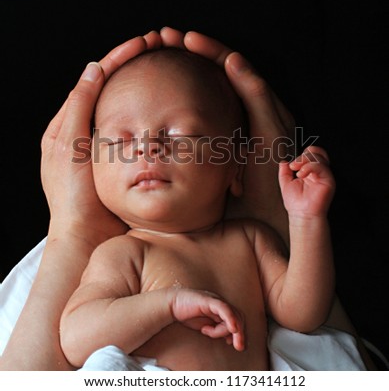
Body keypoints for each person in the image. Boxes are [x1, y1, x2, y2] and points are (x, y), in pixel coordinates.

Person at [0, 28, 373, 370]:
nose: (147, 148)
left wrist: (306, 220)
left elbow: (303, 314)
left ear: (236, 170)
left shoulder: (250, 241)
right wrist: (167, 305)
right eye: (119, 142)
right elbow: (79, 339)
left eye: (179, 135)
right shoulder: (123, 253)